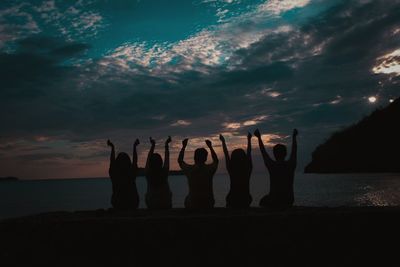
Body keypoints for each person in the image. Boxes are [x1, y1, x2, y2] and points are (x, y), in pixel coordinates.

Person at [254, 128, 298, 210]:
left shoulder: (272, 166)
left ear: (274, 154)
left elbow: (263, 152)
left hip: (275, 199)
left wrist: (259, 137)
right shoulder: (291, 165)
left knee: (263, 201)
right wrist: (294, 137)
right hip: (289, 200)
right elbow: (294, 151)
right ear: (285, 153)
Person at [178, 138, 219, 209]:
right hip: (208, 204)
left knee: (187, 198)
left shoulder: (189, 170)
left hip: (193, 205)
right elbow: (216, 161)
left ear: (194, 157)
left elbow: (180, 160)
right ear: (205, 158)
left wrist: (183, 147)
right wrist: (210, 147)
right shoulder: (209, 169)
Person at [220, 133, 253, 208]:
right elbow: (249, 152)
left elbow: (226, 154)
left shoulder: (231, 169)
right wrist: (249, 140)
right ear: (244, 159)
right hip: (245, 199)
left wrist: (223, 141)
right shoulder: (247, 169)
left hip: (232, 199)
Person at [107, 139, 140, 210]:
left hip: (118, 204)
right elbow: (135, 161)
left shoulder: (114, 174)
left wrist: (112, 148)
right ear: (128, 163)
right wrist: (134, 146)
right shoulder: (131, 173)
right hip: (132, 204)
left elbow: (112, 162)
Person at [144, 136, 173, 209]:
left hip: (152, 204)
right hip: (165, 204)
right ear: (161, 162)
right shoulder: (164, 172)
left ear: (150, 163)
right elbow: (167, 157)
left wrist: (153, 146)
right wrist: (166, 144)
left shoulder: (148, 173)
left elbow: (148, 158)